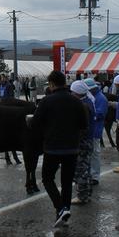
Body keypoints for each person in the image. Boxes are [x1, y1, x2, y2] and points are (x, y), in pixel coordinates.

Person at [29, 71, 88, 227]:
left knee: (47, 179)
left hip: (52, 148)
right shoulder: (76, 102)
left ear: (52, 84)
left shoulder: (47, 101)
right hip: (72, 149)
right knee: (67, 182)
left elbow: (35, 124)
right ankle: (64, 212)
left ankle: (60, 208)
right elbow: (84, 125)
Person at [70, 80, 95, 205]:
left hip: (83, 142)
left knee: (81, 169)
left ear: (77, 93)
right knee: (86, 168)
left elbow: (82, 127)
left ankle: (82, 196)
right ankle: (87, 193)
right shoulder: (88, 101)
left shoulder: (82, 106)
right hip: (88, 141)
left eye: (72, 92)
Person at [84, 78, 107, 185]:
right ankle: (91, 174)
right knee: (90, 154)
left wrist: (89, 115)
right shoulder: (94, 96)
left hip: (95, 130)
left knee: (94, 154)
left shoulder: (101, 98)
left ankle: (95, 176)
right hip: (91, 130)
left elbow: (100, 114)